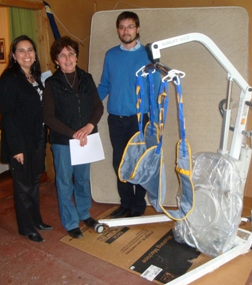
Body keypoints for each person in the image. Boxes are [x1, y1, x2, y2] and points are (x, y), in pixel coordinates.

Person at [97, 11, 160, 218]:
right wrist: (87, 105)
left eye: (130, 26)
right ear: (118, 30)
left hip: (140, 119)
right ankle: (125, 203)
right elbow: (105, 84)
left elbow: (157, 88)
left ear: (138, 29)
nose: (126, 31)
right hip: (116, 119)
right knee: (120, 163)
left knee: (140, 162)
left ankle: (138, 204)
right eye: (122, 27)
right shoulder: (111, 55)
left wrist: (156, 118)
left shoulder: (149, 56)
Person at [43, 36, 104, 239]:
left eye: (71, 54)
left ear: (76, 57)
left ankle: (84, 213)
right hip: (63, 143)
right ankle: (70, 222)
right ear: (56, 60)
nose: (67, 59)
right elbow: (48, 117)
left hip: (86, 140)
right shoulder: (52, 84)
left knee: (82, 179)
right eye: (62, 55)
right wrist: (74, 134)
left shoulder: (86, 78)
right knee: (64, 183)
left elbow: (98, 106)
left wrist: (88, 127)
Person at [0, 35, 52, 243]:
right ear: (14, 55)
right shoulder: (9, 78)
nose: (26, 54)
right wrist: (16, 148)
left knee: (34, 180)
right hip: (20, 141)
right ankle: (26, 227)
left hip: (37, 137)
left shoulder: (36, 77)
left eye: (30, 50)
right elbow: (9, 116)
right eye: (21, 50)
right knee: (22, 185)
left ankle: (36, 219)